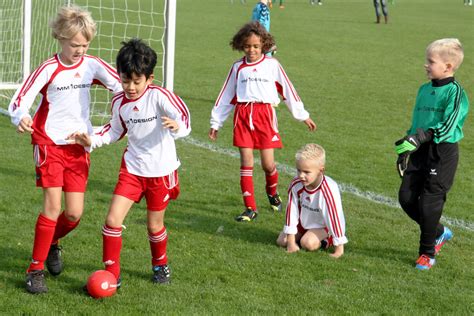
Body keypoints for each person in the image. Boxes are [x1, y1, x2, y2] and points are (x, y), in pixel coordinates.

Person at [7, 5, 122, 294]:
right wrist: (20, 116)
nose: (80, 50)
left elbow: (121, 86)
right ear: (60, 38)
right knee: (53, 206)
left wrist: (135, 104)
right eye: (74, 45)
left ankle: (53, 243)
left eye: (84, 45)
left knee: (73, 214)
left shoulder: (92, 65)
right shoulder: (49, 68)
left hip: (77, 147)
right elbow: (21, 98)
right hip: (48, 144)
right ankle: (35, 269)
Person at [70, 38, 191, 287]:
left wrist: (178, 126)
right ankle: (111, 274)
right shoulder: (119, 102)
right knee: (112, 220)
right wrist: (90, 140)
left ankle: (160, 264)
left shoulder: (159, 97)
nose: (131, 87)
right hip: (132, 170)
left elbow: (183, 116)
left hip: (161, 171)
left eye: (137, 81)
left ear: (150, 78)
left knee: (154, 224)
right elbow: (115, 131)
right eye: (126, 81)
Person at [209, 21, 316, 222]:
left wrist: (302, 115)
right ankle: (250, 208)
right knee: (246, 161)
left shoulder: (272, 65)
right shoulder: (237, 68)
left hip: (265, 116)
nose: (252, 50)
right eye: (248, 46)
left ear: (264, 46)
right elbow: (225, 96)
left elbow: (287, 90)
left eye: (256, 46)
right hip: (242, 116)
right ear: (242, 45)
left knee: (268, 164)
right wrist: (216, 123)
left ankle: (272, 193)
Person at [395, 38, 469, 270]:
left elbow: (448, 125)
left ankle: (427, 252)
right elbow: (417, 122)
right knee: (406, 198)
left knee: (429, 202)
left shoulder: (455, 92)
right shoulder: (424, 89)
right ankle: (439, 232)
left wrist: (421, 137)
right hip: (420, 149)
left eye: (430, 61)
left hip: (442, 151)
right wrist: (407, 146)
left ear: (448, 66)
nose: (425, 65)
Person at [276, 144, 347, 258]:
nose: (301, 176)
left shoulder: (328, 189)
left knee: (308, 243)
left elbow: (335, 217)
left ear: (321, 170)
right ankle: (303, 236)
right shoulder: (296, 184)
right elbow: (291, 212)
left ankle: (326, 239)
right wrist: (291, 243)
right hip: (302, 223)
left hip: (323, 226)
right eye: (299, 170)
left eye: (306, 172)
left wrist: (339, 249)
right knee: (282, 241)